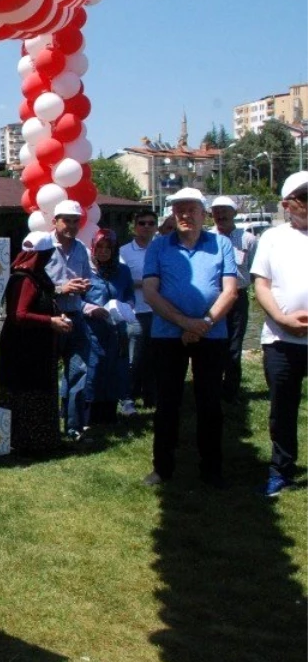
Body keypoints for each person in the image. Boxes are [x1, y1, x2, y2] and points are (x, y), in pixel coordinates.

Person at [141, 188, 238, 488]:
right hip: (168, 336)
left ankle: (211, 469)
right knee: (168, 403)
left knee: (209, 403)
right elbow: (150, 292)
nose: (184, 215)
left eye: (190, 209)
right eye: (179, 210)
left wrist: (204, 324)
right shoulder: (159, 246)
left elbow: (230, 291)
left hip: (212, 335)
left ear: (203, 213)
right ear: (173, 214)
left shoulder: (221, 244)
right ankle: (163, 467)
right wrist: (186, 323)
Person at [249, 170, 308, 496]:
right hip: (281, 340)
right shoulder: (273, 237)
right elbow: (261, 284)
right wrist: (282, 319)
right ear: (287, 204)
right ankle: (282, 470)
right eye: (304, 198)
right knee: (282, 410)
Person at [0, 231, 72, 455]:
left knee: (37, 389)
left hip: (36, 346)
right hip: (24, 349)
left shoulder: (35, 276)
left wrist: (57, 316)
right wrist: (50, 321)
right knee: (27, 391)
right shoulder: (24, 279)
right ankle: (29, 442)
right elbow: (18, 314)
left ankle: (42, 440)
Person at [45, 199, 94, 440]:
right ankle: (48, 426)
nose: (72, 226)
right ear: (55, 222)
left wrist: (83, 286)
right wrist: (60, 288)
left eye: (76, 221)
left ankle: (74, 427)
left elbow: (86, 279)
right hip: (51, 318)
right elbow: (31, 286)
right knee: (47, 374)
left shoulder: (81, 249)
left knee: (78, 371)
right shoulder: (43, 247)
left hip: (75, 316)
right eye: (67, 220)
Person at [209, 196, 259, 402]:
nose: (220, 215)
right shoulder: (207, 238)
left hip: (238, 298)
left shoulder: (249, 239)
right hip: (213, 298)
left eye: (225, 210)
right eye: (216, 211)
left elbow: (255, 271)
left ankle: (231, 391)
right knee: (212, 344)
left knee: (234, 345)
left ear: (234, 213)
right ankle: (210, 387)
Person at [85, 229, 134, 424]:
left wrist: (127, 306)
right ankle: (88, 414)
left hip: (116, 327)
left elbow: (129, 293)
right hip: (92, 328)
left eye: (109, 247)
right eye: (100, 247)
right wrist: (90, 309)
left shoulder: (122, 271)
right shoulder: (85, 270)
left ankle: (108, 414)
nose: (104, 251)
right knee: (93, 368)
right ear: (93, 248)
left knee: (115, 368)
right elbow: (75, 300)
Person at [118, 210, 158, 412]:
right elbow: (122, 282)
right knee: (134, 359)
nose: (147, 227)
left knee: (154, 358)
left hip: (159, 311)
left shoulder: (161, 248)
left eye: (151, 223)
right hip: (136, 312)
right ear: (135, 227)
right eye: (142, 223)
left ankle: (151, 397)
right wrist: (148, 284)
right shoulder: (124, 251)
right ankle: (128, 397)